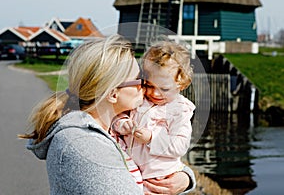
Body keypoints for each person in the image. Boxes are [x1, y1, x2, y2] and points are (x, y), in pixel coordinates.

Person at [19, 35, 195, 195]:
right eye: (140, 80)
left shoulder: (109, 129)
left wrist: (184, 178)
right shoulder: (84, 145)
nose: (146, 89)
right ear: (112, 94)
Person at [111, 40, 195, 192]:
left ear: (181, 85)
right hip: (132, 169)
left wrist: (151, 138)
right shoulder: (140, 98)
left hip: (159, 175)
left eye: (164, 88)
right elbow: (119, 114)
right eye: (149, 85)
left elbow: (180, 146)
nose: (154, 93)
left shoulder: (180, 110)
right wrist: (121, 123)